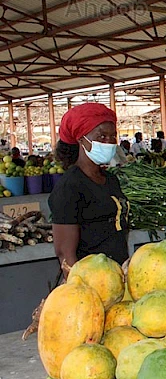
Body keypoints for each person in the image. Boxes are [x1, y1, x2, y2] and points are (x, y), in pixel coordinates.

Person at [48, 103, 130, 268]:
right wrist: (79, 285)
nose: (108, 142)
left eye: (112, 136)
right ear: (81, 139)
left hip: (117, 274)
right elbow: (65, 254)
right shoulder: (70, 186)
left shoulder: (110, 179)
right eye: (101, 136)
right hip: (90, 280)